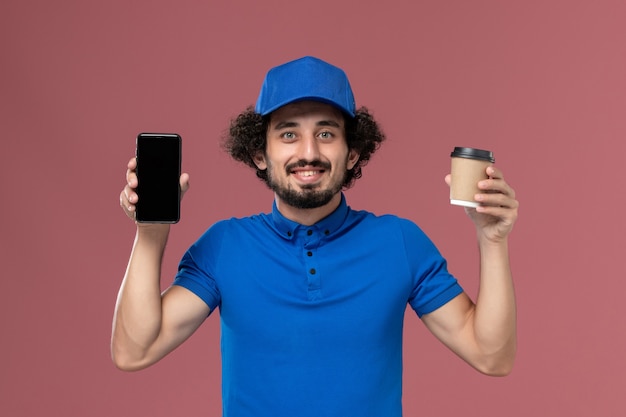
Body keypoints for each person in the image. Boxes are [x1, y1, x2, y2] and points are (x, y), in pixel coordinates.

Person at [113, 56, 519, 417]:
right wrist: (150, 233)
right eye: (288, 134)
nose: (308, 152)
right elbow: (135, 351)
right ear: (260, 154)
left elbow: (491, 356)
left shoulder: (399, 241)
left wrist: (493, 241)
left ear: (352, 152)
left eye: (326, 134)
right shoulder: (225, 245)